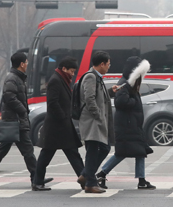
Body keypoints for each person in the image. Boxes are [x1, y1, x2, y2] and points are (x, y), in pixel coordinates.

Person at [0, 52, 50, 187]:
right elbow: (10, 97)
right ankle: (36, 179)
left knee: (21, 151)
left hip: (15, 120)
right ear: (22, 64)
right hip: (14, 121)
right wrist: (23, 110)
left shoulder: (17, 78)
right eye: (27, 63)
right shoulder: (12, 78)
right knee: (25, 151)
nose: (27, 65)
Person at [96, 57, 156, 190]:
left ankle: (141, 180)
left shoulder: (131, 83)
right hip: (127, 125)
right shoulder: (125, 84)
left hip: (132, 124)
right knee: (122, 153)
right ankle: (101, 173)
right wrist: (134, 102)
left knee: (140, 151)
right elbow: (120, 102)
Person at [33, 57, 85, 191]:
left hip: (61, 125)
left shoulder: (61, 79)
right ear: (64, 69)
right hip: (57, 125)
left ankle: (85, 179)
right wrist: (63, 117)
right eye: (72, 71)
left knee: (71, 153)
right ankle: (37, 182)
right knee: (48, 154)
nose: (73, 74)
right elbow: (52, 103)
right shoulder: (56, 80)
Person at [78, 51, 115, 194]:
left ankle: (86, 175)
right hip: (92, 121)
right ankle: (90, 182)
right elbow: (89, 98)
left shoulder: (97, 77)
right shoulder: (90, 77)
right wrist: (98, 115)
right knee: (94, 151)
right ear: (102, 64)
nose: (109, 67)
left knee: (101, 149)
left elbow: (99, 96)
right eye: (108, 64)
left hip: (96, 121)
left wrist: (111, 91)